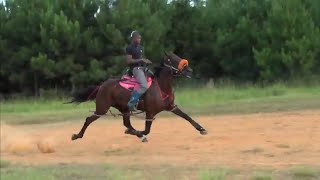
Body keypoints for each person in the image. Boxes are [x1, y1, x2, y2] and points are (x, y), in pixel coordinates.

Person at [125, 31, 152, 111]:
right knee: (144, 86)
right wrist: (141, 60)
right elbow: (128, 61)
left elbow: (141, 59)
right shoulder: (130, 48)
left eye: (140, 38)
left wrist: (145, 62)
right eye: (138, 38)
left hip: (142, 68)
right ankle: (131, 103)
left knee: (155, 79)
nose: (140, 39)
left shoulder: (140, 48)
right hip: (136, 69)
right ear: (133, 38)